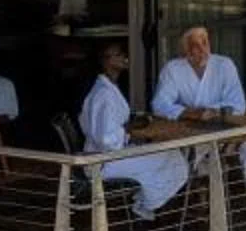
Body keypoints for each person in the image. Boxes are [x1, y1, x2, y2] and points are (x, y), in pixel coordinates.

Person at [80, 41, 186, 219]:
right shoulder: (103, 95)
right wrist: (128, 129)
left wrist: (128, 128)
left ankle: (147, 200)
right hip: (104, 161)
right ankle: (145, 204)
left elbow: (91, 123)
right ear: (106, 61)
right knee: (171, 158)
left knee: (172, 154)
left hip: (108, 155)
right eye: (119, 54)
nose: (124, 58)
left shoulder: (107, 89)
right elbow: (105, 139)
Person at [151, 24, 246, 182]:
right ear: (186, 51)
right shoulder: (173, 69)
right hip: (189, 136)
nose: (202, 50)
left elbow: (238, 104)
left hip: (223, 131)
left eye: (205, 42)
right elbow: (159, 105)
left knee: (241, 154)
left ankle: (223, 170)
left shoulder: (224, 65)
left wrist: (212, 112)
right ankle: (202, 188)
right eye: (195, 45)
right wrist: (192, 113)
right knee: (187, 162)